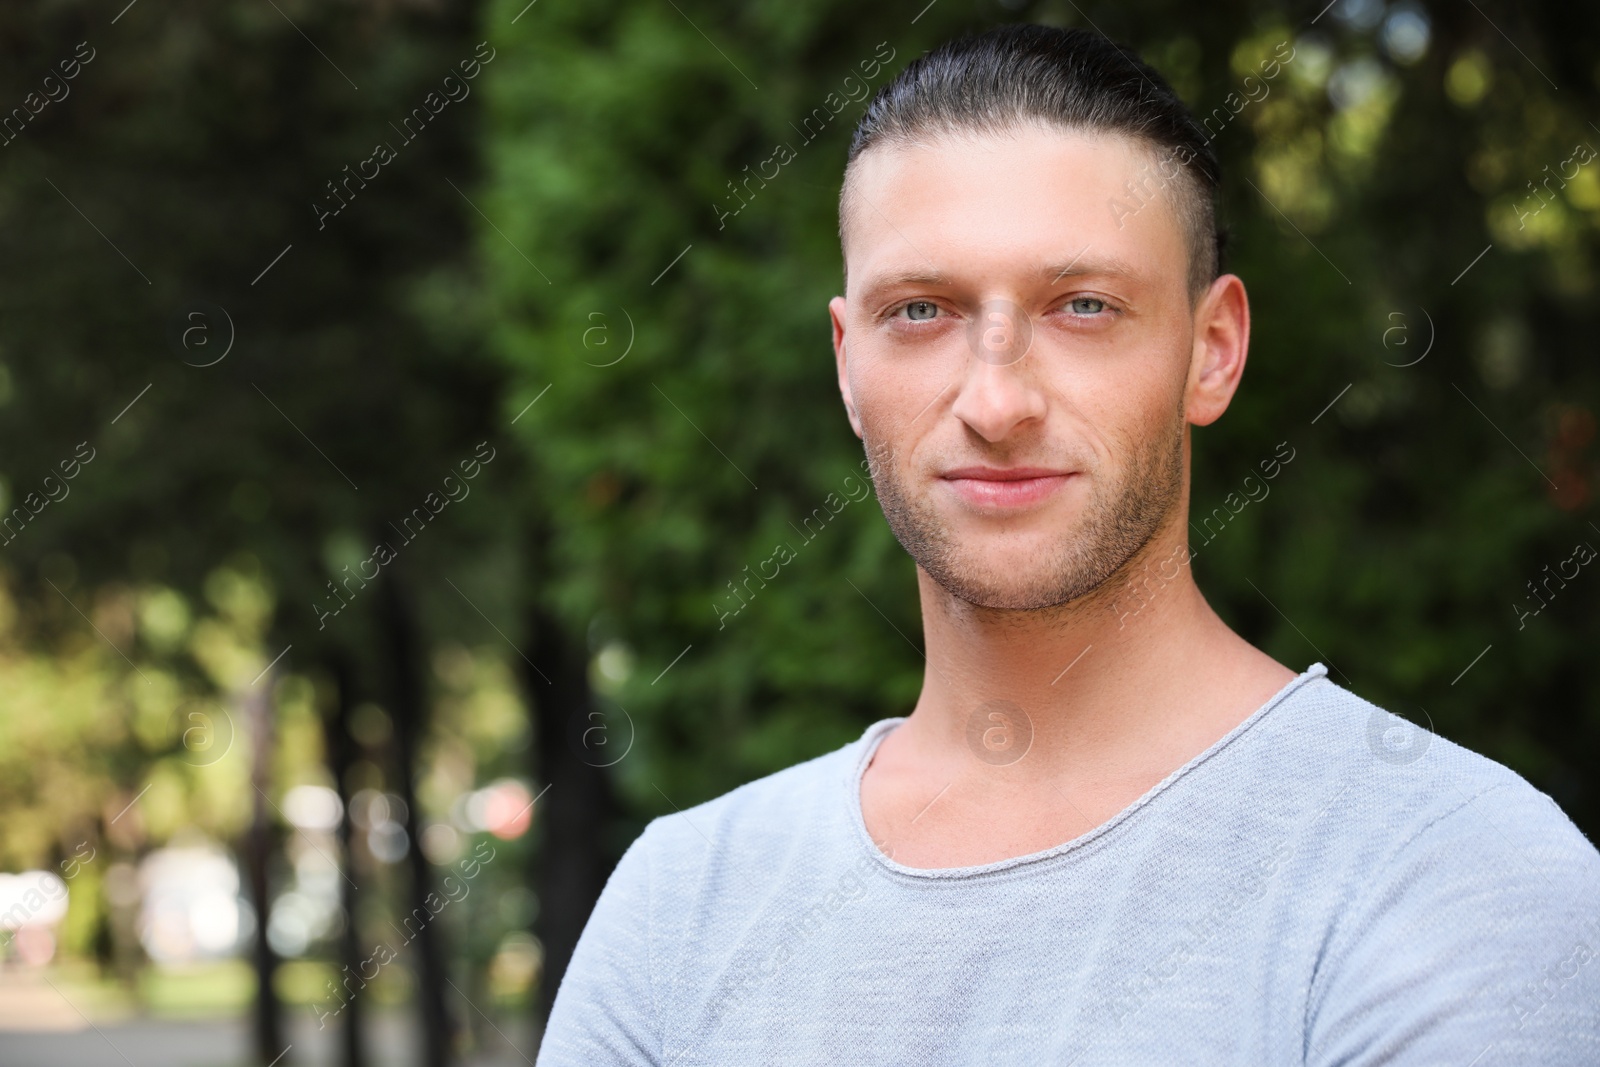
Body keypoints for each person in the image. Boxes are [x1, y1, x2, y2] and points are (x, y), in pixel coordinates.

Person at [535, 24, 1600, 1065]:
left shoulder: (1451, 874)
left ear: (1212, 350)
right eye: (920, 310)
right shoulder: (680, 905)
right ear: (847, 363)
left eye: (1082, 305)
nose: (996, 400)